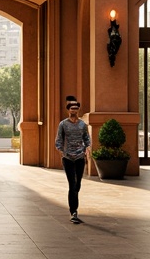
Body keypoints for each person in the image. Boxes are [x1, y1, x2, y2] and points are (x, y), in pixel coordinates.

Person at [54, 96, 90, 224]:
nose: (74, 110)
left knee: (78, 184)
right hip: (68, 158)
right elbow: (58, 141)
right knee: (72, 184)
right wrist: (62, 152)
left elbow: (87, 139)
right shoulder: (63, 124)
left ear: (78, 109)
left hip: (80, 157)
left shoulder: (82, 124)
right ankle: (73, 212)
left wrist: (88, 148)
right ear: (68, 110)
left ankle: (74, 205)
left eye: (76, 108)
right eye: (72, 108)